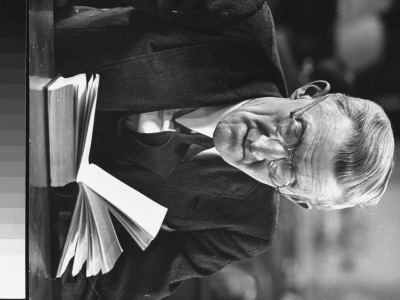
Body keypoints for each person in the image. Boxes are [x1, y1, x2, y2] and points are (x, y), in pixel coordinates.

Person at [54, 1, 395, 299]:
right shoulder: (239, 17)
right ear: (307, 93)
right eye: (294, 130)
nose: (263, 146)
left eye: (288, 172)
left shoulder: (246, 230)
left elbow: (111, 285)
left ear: (297, 199)